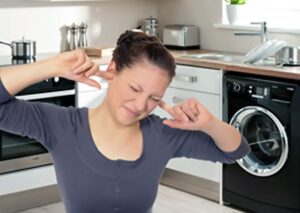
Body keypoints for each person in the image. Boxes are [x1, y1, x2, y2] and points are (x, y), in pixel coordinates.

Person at [0, 30, 250, 213]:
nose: (141, 105)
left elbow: (236, 150)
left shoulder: (163, 134)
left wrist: (208, 124)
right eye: (134, 88)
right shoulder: (62, 126)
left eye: (154, 97)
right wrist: (50, 66)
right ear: (113, 69)